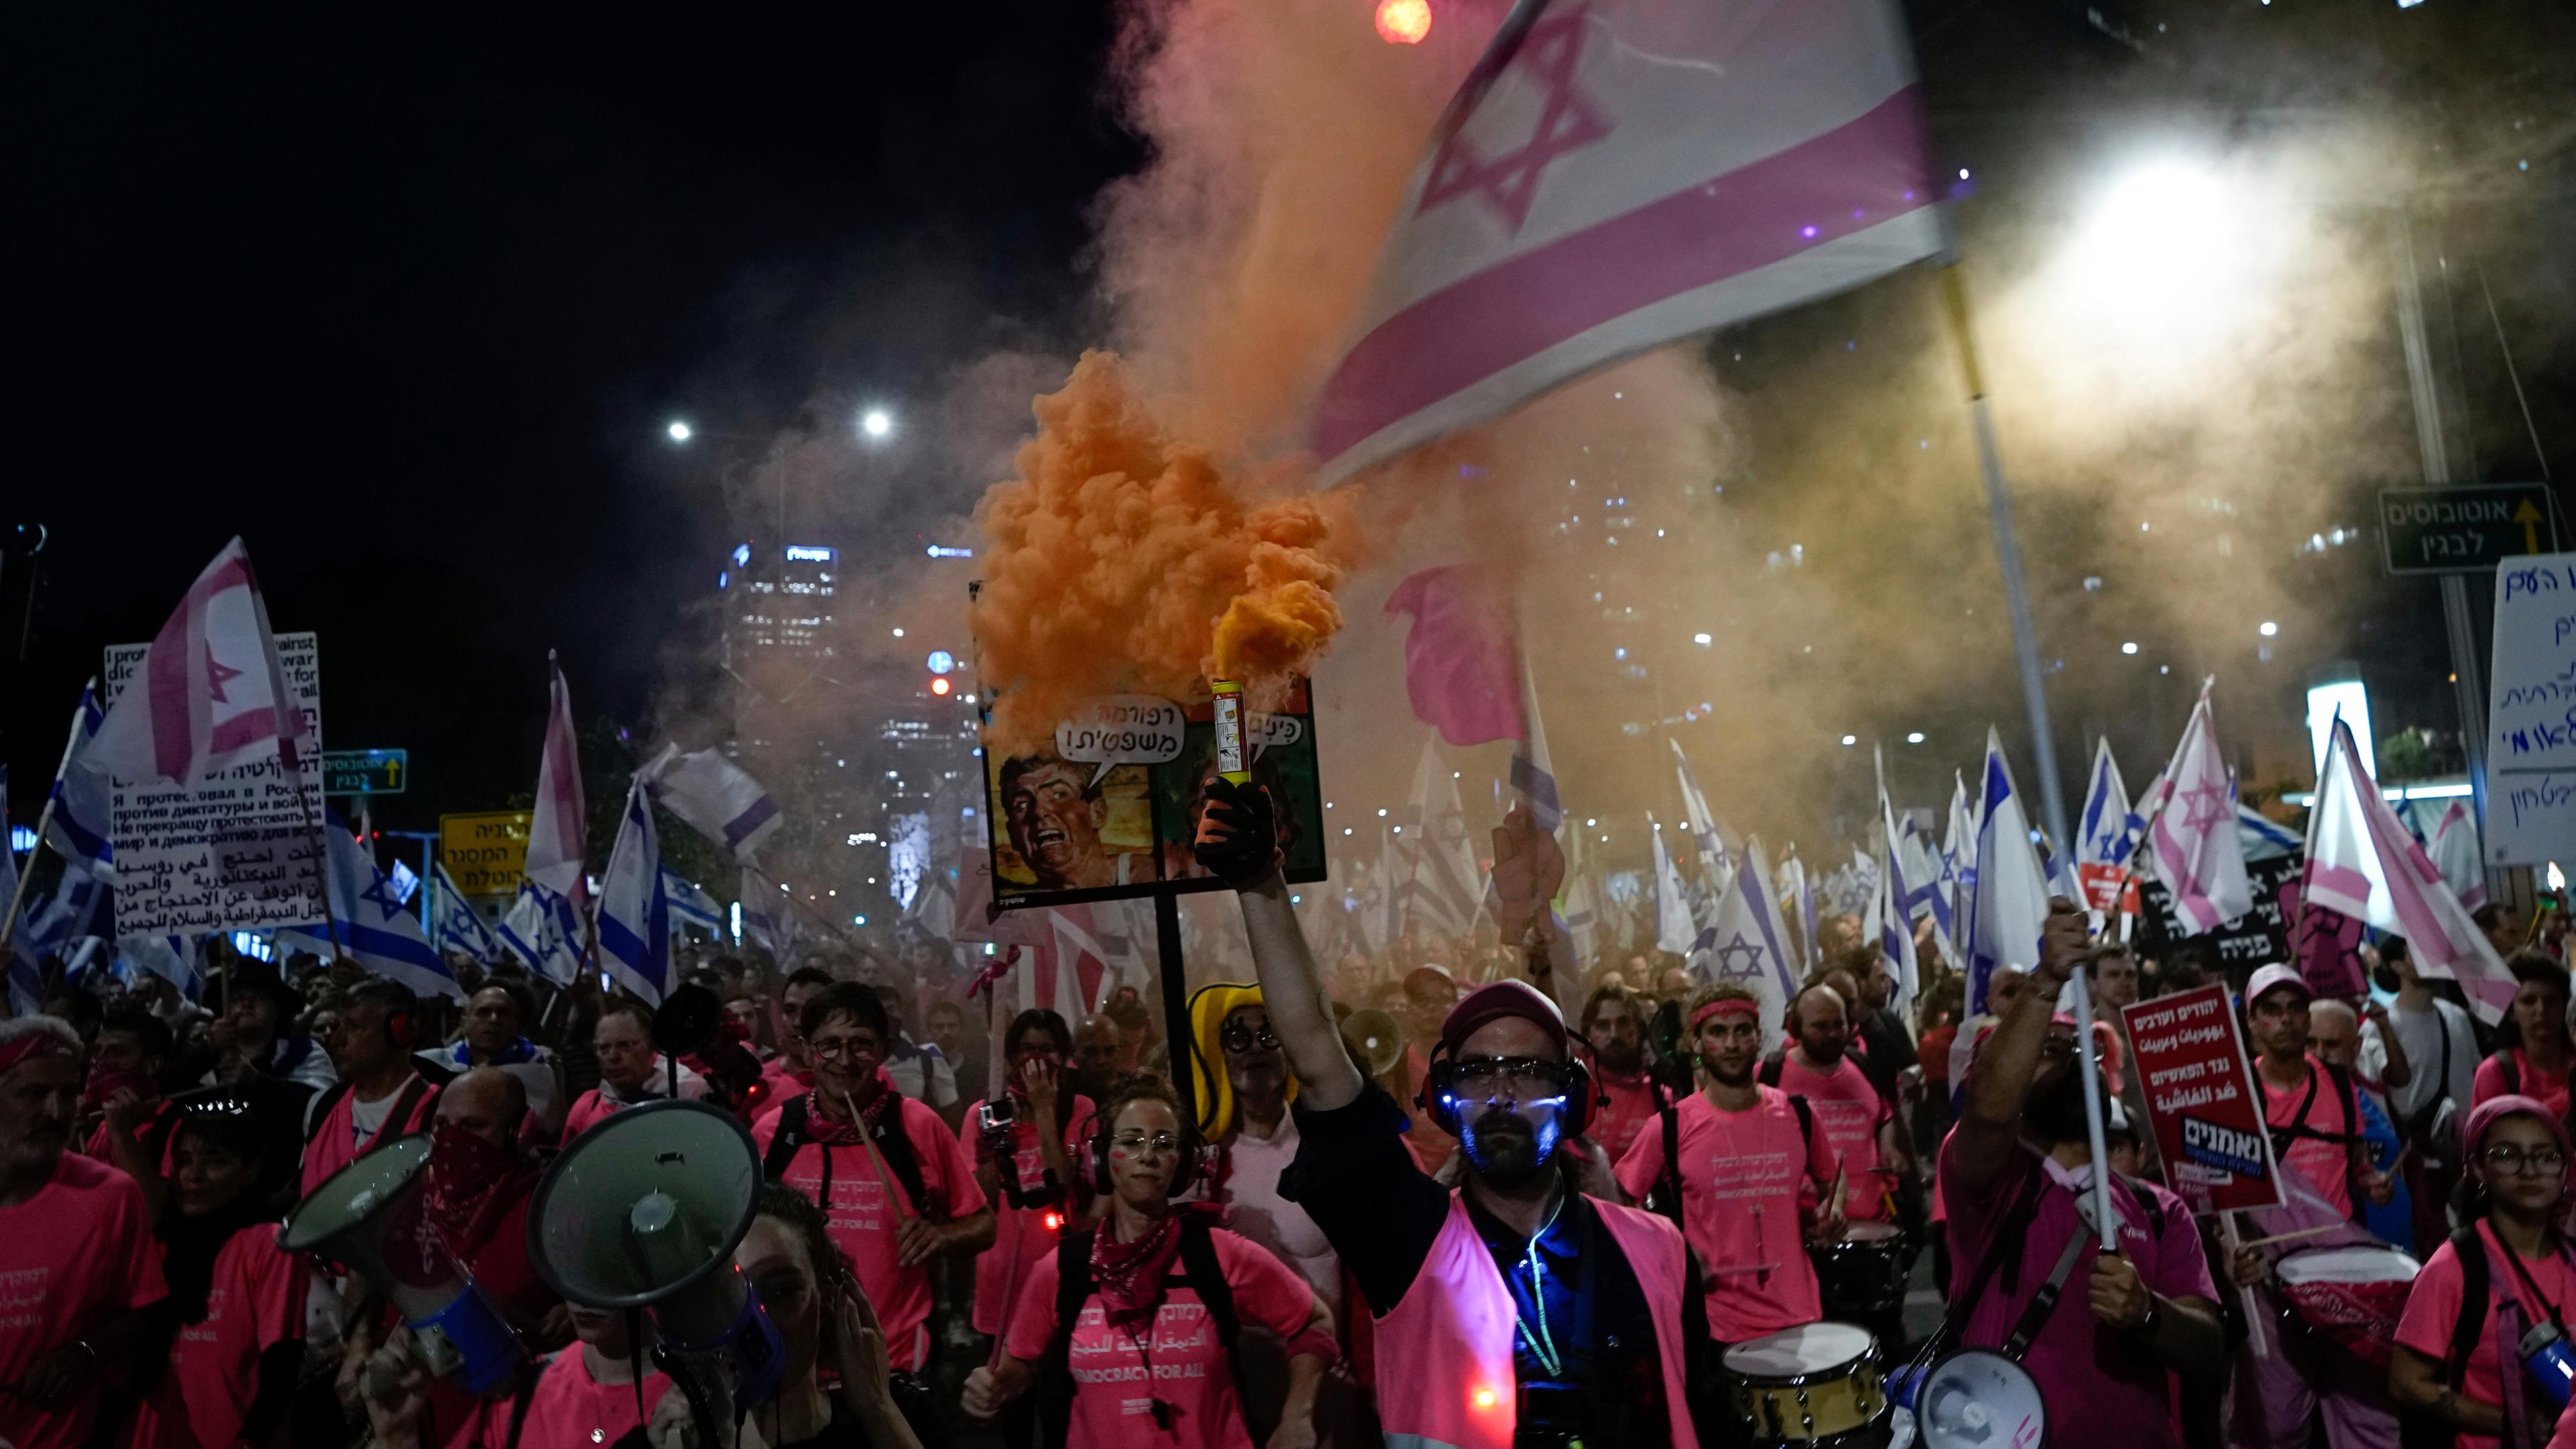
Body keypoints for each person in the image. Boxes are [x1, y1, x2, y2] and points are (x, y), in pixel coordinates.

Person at [1199, 780, 1705, 1449]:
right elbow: (1319, 1051)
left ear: (1575, 1097)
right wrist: (1261, 883)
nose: (1498, 1094)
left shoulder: (1659, 1247)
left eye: (1525, 1071)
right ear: (1442, 1098)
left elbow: (1705, 1410)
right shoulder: (1410, 1239)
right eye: (1475, 1073)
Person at [1941, 900, 2222, 1449]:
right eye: (2051, 1050)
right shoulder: (1991, 1181)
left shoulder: (2157, 1210)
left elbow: (2205, 1347)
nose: (2075, 1061)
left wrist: (2149, 1313)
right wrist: (2046, 981)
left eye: (2085, 1051)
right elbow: (1991, 1108)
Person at [962, 1077, 1336, 1449]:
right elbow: (1021, 1364)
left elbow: (1313, 1322)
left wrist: (1296, 1419)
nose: (1148, 1156)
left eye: (1164, 1144)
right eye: (1131, 1141)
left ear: (1184, 1163)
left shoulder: (1219, 1255)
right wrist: (996, 1386)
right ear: (1100, 1159)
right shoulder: (1061, 1269)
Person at [751, 981, 994, 1399]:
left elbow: (984, 1226)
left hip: (895, 1370)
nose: (845, 1061)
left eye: (861, 1044)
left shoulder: (916, 1125)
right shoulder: (774, 1133)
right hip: (794, 1372)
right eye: (829, 1045)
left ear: (882, 1050)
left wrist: (939, 1236)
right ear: (808, 1052)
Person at [1618, 983, 1841, 1362]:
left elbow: (1833, 1176)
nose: (1732, 1043)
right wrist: (1669, 1252)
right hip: (1715, 1326)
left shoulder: (1798, 1114)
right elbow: (1621, 1200)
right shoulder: (1671, 1126)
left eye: (1742, 1030)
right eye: (1717, 1033)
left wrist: (1832, 1211)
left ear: (1759, 1037)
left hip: (1799, 1314)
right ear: (1698, 1044)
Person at [2233, 964, 2401, 1449]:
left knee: (2365, 1411)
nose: (2285, 1021)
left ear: (2307, 1019)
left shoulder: (2338, 1083)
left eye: (2294, 1010)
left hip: (2340, 1274)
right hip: (2269, 1278)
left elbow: (2358, 1165)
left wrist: (2374, 1185)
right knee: (2280, 1423)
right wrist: (2233, 1255)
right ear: (2252, 1023)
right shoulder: (2237, 1094)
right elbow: (2220, 1197)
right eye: (2271, 1011)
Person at [0, 1016, 166, 1449]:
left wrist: (84, 1354)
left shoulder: (109, 1196)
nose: (55, 1112)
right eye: (34, 1094)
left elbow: (144, 1311)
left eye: (67, 1094)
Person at [2391, 1094, 2576, 1449]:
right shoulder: (2454, 1268)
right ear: (2477, 1169)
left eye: (2547, 1156)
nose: (2530, 1169)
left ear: (2565, 1172)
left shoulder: (2573, 1261)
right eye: (2507, 1155)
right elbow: (2406, 1382)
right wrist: (2509, 1421)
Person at [123, 1098, 307, 1449]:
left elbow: (282, 1361)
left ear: (250, 1171)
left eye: (216, 1161)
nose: (193, 1175)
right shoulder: (163, 1246)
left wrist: (251, 1439)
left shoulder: (269, 1243)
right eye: (183, 1161)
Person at [1189, 985, 1340, 1315]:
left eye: (1269, 1035)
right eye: (1238, 1038)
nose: (1256, 1048)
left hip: (1326, 1361)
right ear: (1217, 1054)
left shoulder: (1329, 1148)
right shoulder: (1195, 1162)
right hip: (1234, 1362)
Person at [963, 1010, 1094, 1366]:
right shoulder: (986, 1112)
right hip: (1002, 1275)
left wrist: (1042, 1109)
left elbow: (1064, 1179)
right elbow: (981, 1201)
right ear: (1009, 1057)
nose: (1035, 1060)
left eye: (1047, 1049)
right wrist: (991, 1149)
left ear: (1064, 1057)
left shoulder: (1078, 1108)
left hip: (1058, 1270)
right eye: (1026, 1049)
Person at [2363, 938, 2481, 1249]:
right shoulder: (2378, 1027)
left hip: (2466, 1158)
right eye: (2418, 951)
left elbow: (2475, 1077)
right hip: (2418, 1165)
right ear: (2397, 965)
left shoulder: (2455, 1016)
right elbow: (2389, 1085)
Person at [1764, 982, 1909, 1226]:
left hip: (1874, 1223)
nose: (1832, 1033)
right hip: (1809, 1227)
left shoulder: (1863, 1065)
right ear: (1796, 1029)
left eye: (1839, 1024)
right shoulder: (1769, 1075)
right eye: (1820, 1026)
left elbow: (1882, 1113)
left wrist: (1889, 1146)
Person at [303, 979, 443, 1197]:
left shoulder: (439, 1113)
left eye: (354, 1026)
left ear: (402, 1031)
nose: (337, 1039)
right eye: (339, 1025)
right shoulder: (324, 1105)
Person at [2310, 999, 2418, 1249]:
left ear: (2356, 1047)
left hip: (2399, 1252)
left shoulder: (2371, 1095)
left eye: (2331, 1044)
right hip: (2340, 1253)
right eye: (2310, 1042)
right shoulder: (2289, 1112)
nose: (2318, 1054)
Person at [508, 1303, 672, 1449]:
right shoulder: (529, 1385)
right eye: (570, 1274)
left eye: (599, 1273)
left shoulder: (685, 1395)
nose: (582, 1297)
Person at [421, 982, 564, 1138]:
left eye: (504, 1013)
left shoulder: (539, 1072)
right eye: (484, 1012)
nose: (494, 1019)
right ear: (464, 1022)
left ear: (516, 1024)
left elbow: (553, 1131)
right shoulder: (431, 1064)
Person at [561, 1000, 708, 1140]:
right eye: (604, 1048)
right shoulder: (586, 1108)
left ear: (650, 1046)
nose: (613, 1056)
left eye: (625, 1045)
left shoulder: (689, 1095)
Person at [1001, 752, 1125, 892]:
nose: (1038, 811)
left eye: (1059, 795)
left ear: (1097, 813)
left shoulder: (1143, 876)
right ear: (1013, 834)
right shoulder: (1017, 906)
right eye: (1022, 805)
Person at [2473, 955, 2575, 1120]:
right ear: (2512, 1012)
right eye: (2529, 1001)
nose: (2541, 1010)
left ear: (2564, 1007)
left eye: (2551, 1000)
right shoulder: (2495, 1072)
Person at [211, 966, 335, 1093]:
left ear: (278, 1008)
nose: (247, 1004)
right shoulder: (209, 1054)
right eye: (239, 997)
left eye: (260, 996)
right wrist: (209, 1049)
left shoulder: (306, 1053)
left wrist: (256, 1081)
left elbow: (319, 1104)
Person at [1578, 986, 1662, 1166]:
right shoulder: (1575, 1085)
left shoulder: (1661, 1092)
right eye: (1603, 1026)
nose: (1614, 1034)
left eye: (1624, 1023)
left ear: (1639, 1028)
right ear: (1588, 1035)